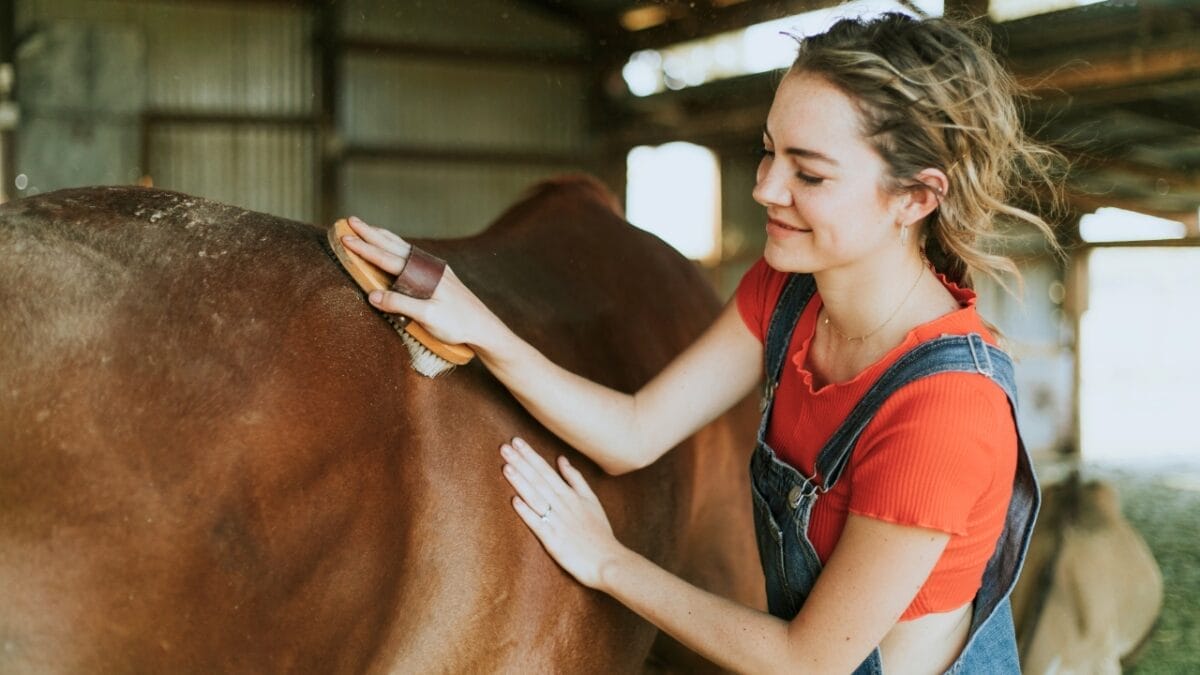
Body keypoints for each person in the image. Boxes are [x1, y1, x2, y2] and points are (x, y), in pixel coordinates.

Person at [340, 13, 1064, 674]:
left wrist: (608, 562)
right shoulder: (787, 293)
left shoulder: (945, 409)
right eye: (768, 152)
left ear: (915, 197)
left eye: (809, 172)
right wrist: (479, 325)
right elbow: (633, 431)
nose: (766, 188)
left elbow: (807, 660)